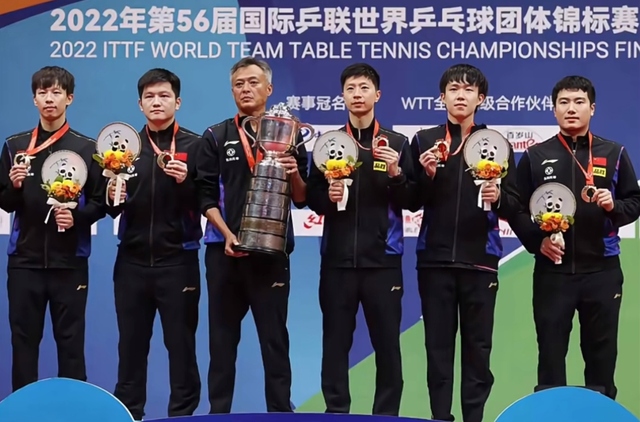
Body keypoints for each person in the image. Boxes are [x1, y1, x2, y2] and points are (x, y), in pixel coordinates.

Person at [509, 75, 640, 400]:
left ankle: (601, 416)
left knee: (602, 360)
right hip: (553, 275)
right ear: (553, 109)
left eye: (579, 102)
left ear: (592, 108)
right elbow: (515, 208)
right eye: (564, 102)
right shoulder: (536, 155)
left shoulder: (614, 152)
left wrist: (614, 207)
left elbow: (634, 202)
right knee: (551, 358)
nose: (571, 108)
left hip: (602, 272)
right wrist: (538, 241)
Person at [407, 64, 520, 422]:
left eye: (468, 90)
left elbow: (514, 205)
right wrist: (426, 176)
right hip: (435, 262)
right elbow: (410, 200)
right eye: (453, 89)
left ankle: (474, 418)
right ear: (442, 97)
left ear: (480, 98)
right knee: (437, 349)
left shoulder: (497, 146)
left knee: (478, 350)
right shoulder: (424, 141)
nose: (460, 95)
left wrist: (499, 197)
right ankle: (440, 417)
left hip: (480, 261)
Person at [196, 56, 308, 414]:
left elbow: (302, 197)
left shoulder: (290, 133)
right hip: (224, 253)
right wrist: (227, 234)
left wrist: (293, 171)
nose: (245, 89)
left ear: (269, 88)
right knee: (222, 343)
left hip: (271, 256)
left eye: (253, 82)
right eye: (239, 84)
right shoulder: (215, 136)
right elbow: (204, 196)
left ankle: (281, 414)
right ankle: (218, 415)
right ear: (232, 91)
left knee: (275, 342)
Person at [306, 63, 414, 416]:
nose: (357, 94)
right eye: (350, 88)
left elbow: (413, 200)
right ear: (342, 96)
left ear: (377, 95)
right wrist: (328, 195)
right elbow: (312, 199)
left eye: (364, 88)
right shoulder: (327, 145)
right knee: (335, 344)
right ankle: (336, 412)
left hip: (383, 262)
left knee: (388, 346)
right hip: (337, 263)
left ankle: (386, 415)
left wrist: (397, 173)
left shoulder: (397, 144)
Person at [0, 66, 106, 391]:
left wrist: (78, 218)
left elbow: (101, 203)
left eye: (56, 92)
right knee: (23, 344)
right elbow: (5, 202)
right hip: (25, 263)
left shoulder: (87, 148)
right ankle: (22, 411)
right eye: (43, 92)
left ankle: (74, 411)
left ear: (69, 98)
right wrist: (14, 186)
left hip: (69, 264)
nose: (49, 98)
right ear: (34, 99)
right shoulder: (15, 146)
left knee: (71, 346)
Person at [107, 68, 202, 421]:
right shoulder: (125, 148)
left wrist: (186, 182)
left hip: (178, 262)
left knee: (181, 348)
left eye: (164, 96)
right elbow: (109, 206)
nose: (157, 102)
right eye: (149, 96)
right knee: (130, 349)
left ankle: (182, 416)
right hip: (131, 263)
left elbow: (210, 201)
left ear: (178, 102)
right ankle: (130, 415)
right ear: (140, 104)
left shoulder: (196, 146)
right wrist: (110, 194)